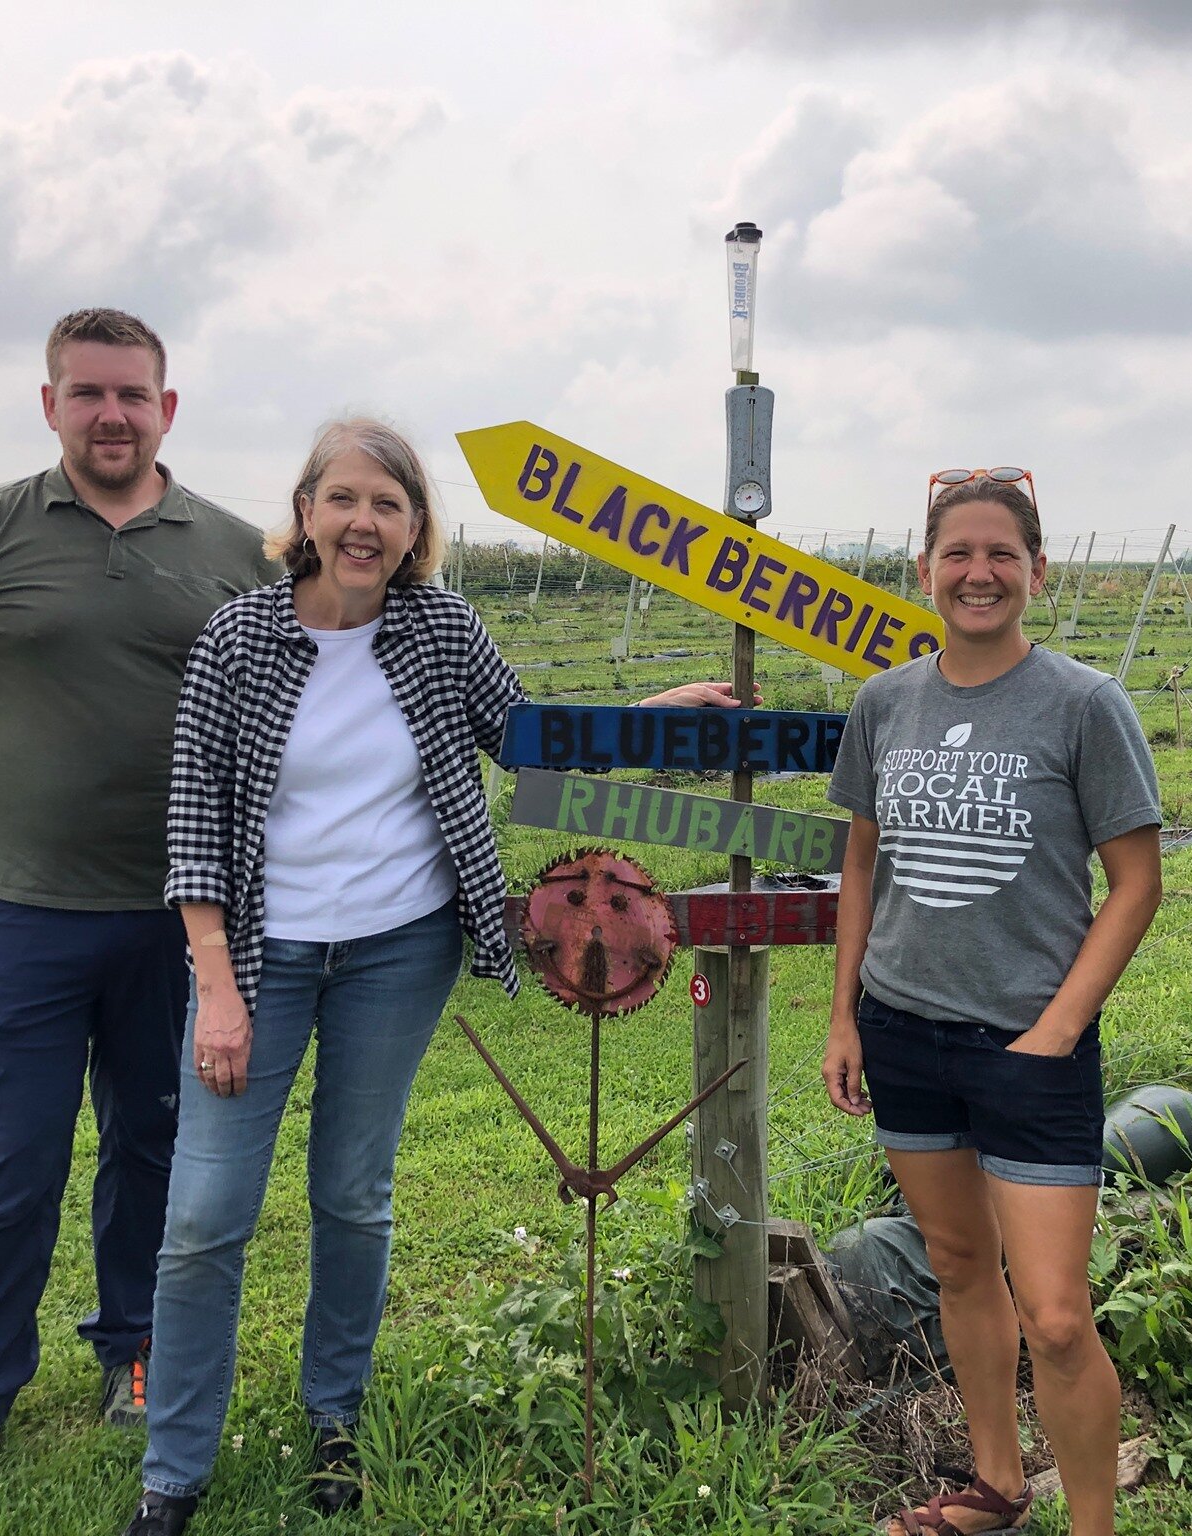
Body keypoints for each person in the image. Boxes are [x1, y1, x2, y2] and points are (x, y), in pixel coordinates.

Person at [121, 417, 747, 1534]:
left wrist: (647, 722)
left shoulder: (438, 629)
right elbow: (194, 826)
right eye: (344, 499)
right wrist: (213, 986)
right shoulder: (238, 639)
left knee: (352, 1197)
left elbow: (527, 741)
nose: (364, 523)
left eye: (389, 505)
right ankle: (174, 1467)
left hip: (396, 954)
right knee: (207, 1214)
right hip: (257, 964)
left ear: (415, 529)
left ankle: (335, 1422)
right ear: (306, 511)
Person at [0, 309, 279, 1511]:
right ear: (48, 403)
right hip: (23, 908)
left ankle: (136, 1349)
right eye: (87, 393)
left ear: (168, 409)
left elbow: (305, 706)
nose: (111, 413)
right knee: (16, 1154)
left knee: (157, 1142)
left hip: (182, 917)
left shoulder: (229, 546)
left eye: (133, 394)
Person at [821, 471, 1163, 1536]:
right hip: (904, 1032)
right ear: (922, 570)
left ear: (1035, 571)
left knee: (1058, 1314)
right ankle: (995, 1484)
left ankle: (1092, 1525)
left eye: (1000, 554)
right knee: (963, 1269)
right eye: (957, 554)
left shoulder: (1081, 704)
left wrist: (1054, 1029)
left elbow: (1138, 883)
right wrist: (844, 1015)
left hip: (1030, 1046)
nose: (978, 573)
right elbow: (862, 869)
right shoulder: (884, 704)